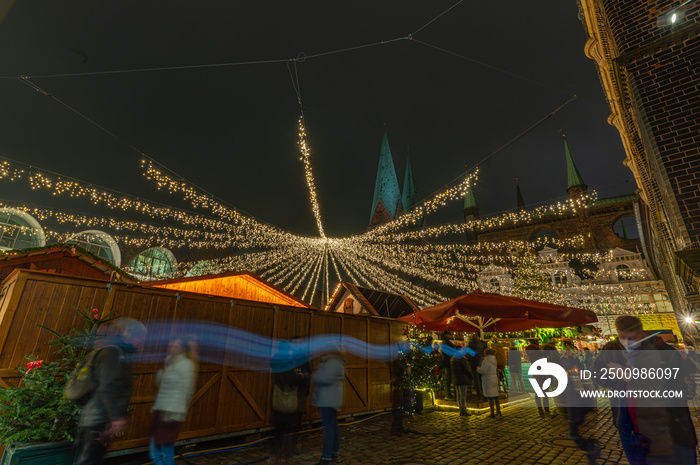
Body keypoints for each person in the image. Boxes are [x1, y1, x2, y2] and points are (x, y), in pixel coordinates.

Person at [594, 315, 697, 465]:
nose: (628, 342)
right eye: (623, 337)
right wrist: (614, 377)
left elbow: (680, 380)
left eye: (633, 337)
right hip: (630, 425)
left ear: (642, 333)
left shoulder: (662, 349)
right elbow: (598, 376)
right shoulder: (610, 350)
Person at [75, 318, 147, 465]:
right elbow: (108, 387)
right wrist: (116, 418)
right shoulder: (114, 353)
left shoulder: (114, 351)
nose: (142, 344)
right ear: (133, 337)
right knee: (89, 461)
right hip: (99, 419)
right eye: (141, 339)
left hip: (97, 417)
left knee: (91, 459)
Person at [149, 337, 197, 465]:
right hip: (161, 409)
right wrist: (166, 365)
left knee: (165, 449)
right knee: (155, 450)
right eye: (169, 346)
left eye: (173, 346)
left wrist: (180, 410)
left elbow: (188, 390)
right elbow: (160, 382)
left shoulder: (186, 364)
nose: (169, 348)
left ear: (181, 348)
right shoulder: (172, 362)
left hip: (172, 412)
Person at [269, 341, 305, 465]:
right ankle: (286, 457)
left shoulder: (275, 361)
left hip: (277, 399)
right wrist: (300, 376)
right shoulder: (287, 362)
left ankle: (273, 456)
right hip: (287, 400)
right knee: (287, 431)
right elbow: (290, 379)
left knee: (278, 431)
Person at [312, 344, 346, 465]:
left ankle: (326, 457)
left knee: (328, 428)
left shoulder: (333, 362)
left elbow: (326, 378)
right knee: (333, 426)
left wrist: (313, 376)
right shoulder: (336, 361)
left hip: (327, 398)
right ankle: (334, 452)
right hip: (331, 398)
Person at [525, 340, 551, 418]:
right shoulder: (537, 351)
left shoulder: (531, 351)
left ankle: (540, 409)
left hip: (536, 371)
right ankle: (546, 409)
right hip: (542, 371)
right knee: (545, 391)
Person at [450, 342, 474, 416]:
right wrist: (471, 377)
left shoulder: (452, 359)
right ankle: (463, 410)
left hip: (456, 379)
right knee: (463, 395)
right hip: (463, 378)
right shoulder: (462, 359)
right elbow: (467, 369)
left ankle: (461, 408)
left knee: (459, 395)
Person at [477, 349, 501, 418]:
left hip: (488, 379)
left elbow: (483, 371)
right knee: (495, 395)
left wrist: (478, 369)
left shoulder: (486, 361)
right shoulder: (494, 360)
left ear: (486, 354)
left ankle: (492, 412)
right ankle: (498, 411)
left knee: (490, 396)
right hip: (494, 378)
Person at [468, 334, 487, 400]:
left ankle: (479, 394)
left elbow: (470, 354)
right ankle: (485, 393)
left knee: (476, 379)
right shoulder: (483, 344)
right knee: (482, 379)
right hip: (482, 362)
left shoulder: (471, 343)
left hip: (475, 363)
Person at [440, 331, 455, 400]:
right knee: (449, 379)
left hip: (446, 363)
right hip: (448, 362)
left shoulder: (444, 343)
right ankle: (448, 394)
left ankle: (448, 394)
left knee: (448, 379)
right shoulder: (448, 343)